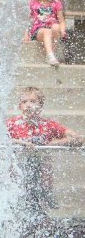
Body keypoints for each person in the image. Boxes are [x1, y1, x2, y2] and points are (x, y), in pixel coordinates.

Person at [6, 86, 84, 214]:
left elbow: (77, 138)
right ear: (20, 106)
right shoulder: (13, 124)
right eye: (24, 102)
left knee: (41, 212)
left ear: (40, 105)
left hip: (44, 179)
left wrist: (52, 143)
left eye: (32, 101)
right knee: (19, 209)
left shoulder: (48, 125)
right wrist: (18, 142)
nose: (28, 105)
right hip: (18, 177)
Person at [28, 0, 67, 66]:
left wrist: (63, 30)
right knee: (47, 31)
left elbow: (61, 21)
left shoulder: (56, 3)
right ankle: (50, 55)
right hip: (38, 31)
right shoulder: (33, 3)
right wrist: (26, 34)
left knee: (56, 27)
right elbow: (27, 20)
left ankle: (53, 52)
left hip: (52, 30)